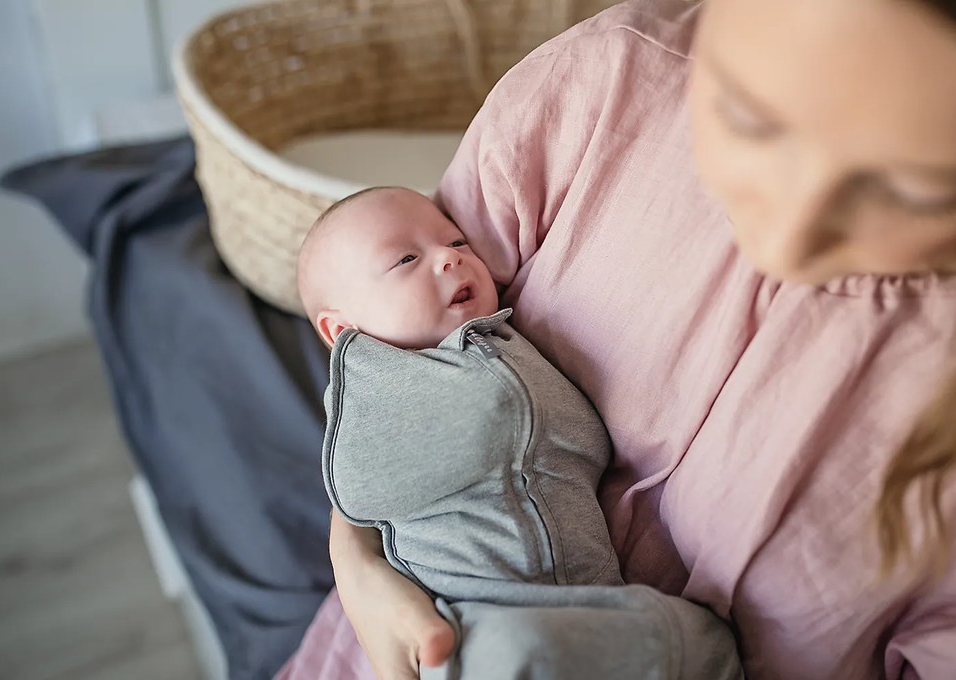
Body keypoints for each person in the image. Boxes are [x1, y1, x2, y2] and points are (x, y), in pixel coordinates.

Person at [277, 0, 956, 678]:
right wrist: (358, 561)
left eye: (913, 193)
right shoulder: (602, 84)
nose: (785, 242)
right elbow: (390, 362)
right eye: (748, 117)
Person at [295, 185, 743, 679]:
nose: (448, 257)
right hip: (474, 624)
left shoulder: (504, 339)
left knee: (696, 638)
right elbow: (357, 489)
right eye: (405, 260)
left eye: (458, 242)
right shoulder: (373, 388)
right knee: (515, 650)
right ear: (342, 333)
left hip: (596, 611)